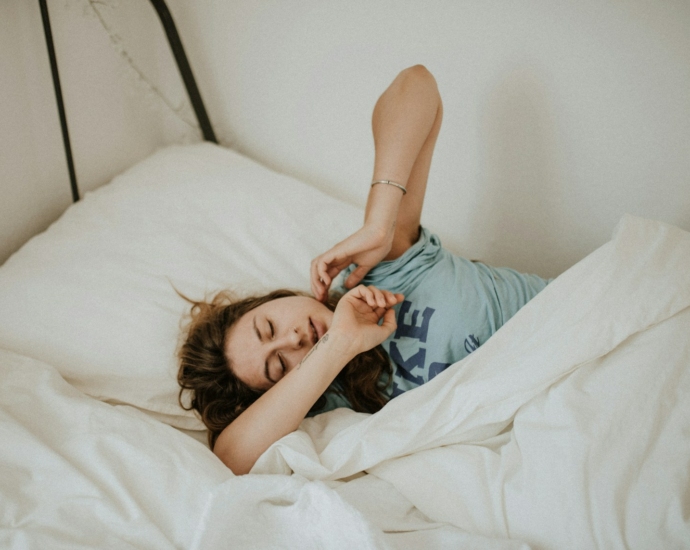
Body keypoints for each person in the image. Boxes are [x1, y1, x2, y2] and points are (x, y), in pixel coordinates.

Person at [177, 65, 551, 475]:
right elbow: (232, 458)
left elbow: (417, 85)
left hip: (575, 323)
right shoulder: (337, 405)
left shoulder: (383, 271)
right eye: (280, 365)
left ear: (276, 300)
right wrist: (338, 345)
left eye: (269, 327)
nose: (294, 338)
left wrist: (379, 223)